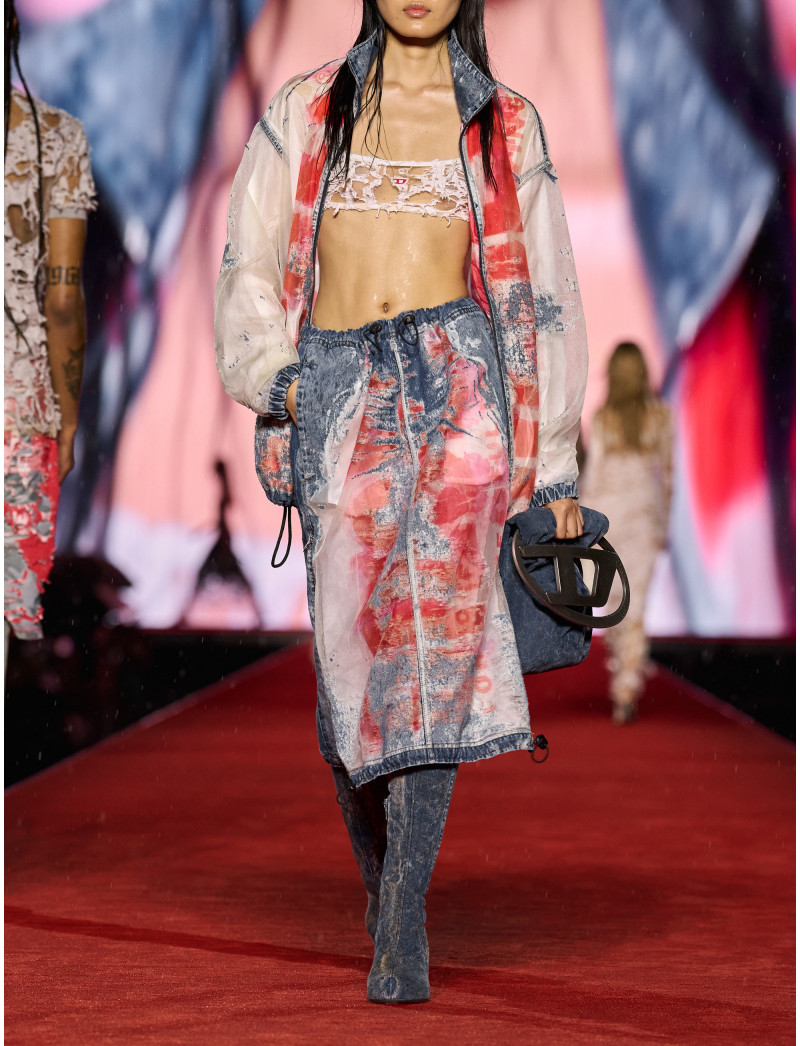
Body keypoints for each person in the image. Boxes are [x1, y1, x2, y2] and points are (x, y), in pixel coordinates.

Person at [215, 0, 587, 1003]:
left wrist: (552, 467)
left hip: (460, 398)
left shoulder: (504, 121)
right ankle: (383, 885)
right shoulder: (306, 109)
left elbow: (547, 295)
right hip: (340, 394)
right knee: (349, 673)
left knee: (437, 666)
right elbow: (250, 258)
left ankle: (404, 912)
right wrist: (281, 380)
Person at [4, 0, 96, 651]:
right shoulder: (56, 137)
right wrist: (67, 417)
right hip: (20, 407)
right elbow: (62, 299)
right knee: (7, 621)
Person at [580, 342, 672, 723]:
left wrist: (583, 524)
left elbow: (593, 476)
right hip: (642, 519)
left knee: (616, 601)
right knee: (634, 606)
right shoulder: (661, 418)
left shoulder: (603, 419)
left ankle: (625, 679)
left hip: (609, 519)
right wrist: (663, 524)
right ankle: (627, 683)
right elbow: (668, 477)